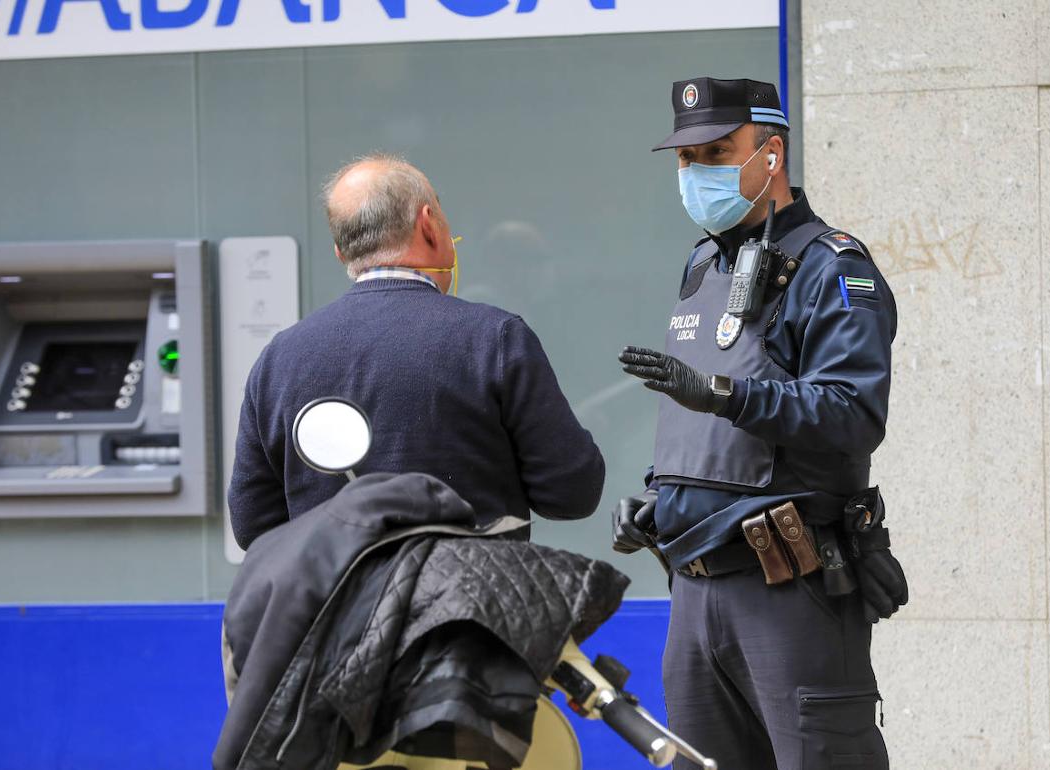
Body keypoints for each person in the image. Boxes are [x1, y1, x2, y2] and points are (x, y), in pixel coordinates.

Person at [612, 77, 907, 769]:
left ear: (770, 155)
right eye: (685, 159)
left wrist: (726, 394)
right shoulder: (703, 264)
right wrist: (664, 501)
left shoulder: (832, 268)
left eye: (716, 152)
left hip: (789, 591)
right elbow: (717, 440)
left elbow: (852, 414)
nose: (695, 173)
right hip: (695, 588)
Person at [228, 154, 605, 548]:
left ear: (340, 252)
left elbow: (253, 525)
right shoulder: (494, 339)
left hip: (331, 606)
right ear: (429, 226)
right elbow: (573, 493)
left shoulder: (280, 358)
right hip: (472, 603)